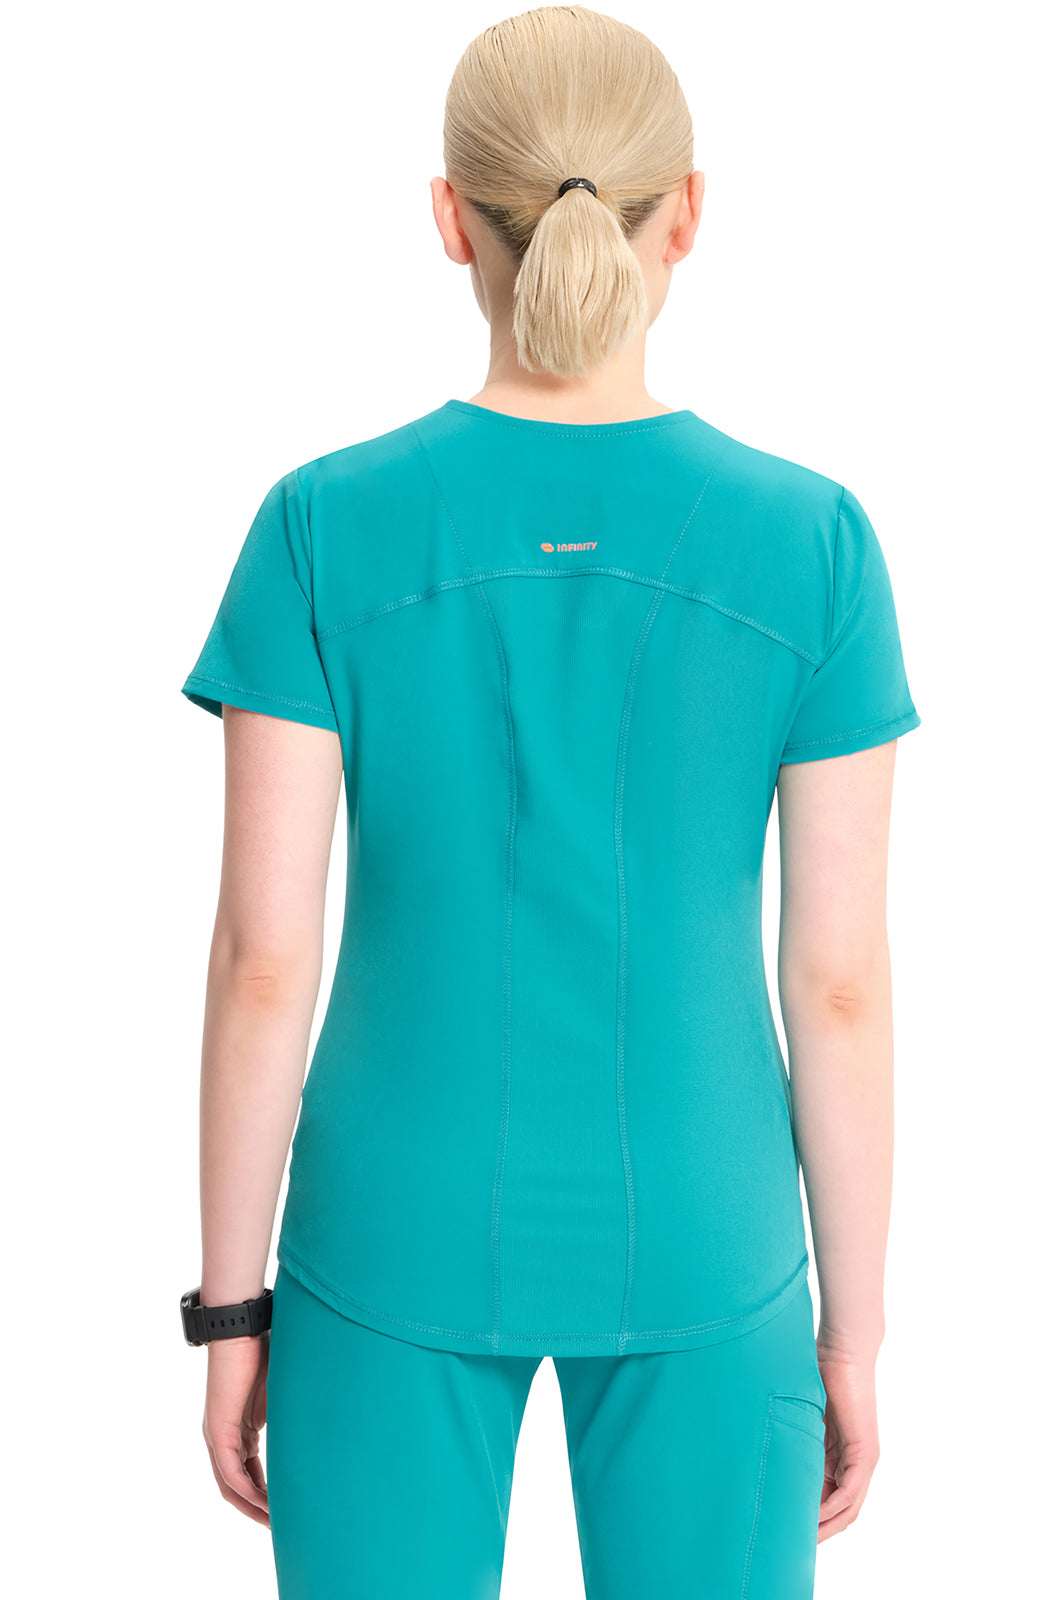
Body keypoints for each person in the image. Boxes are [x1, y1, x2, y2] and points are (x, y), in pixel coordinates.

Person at [178, 7, 921, 1597]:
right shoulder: (813, 543)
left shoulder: (320, 527)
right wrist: (852, 1339)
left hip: (389, 1220)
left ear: (451, 218)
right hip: (709, 1229)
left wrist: (232, 1314)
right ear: (689, 214)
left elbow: (262, 961)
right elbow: (840, 986)